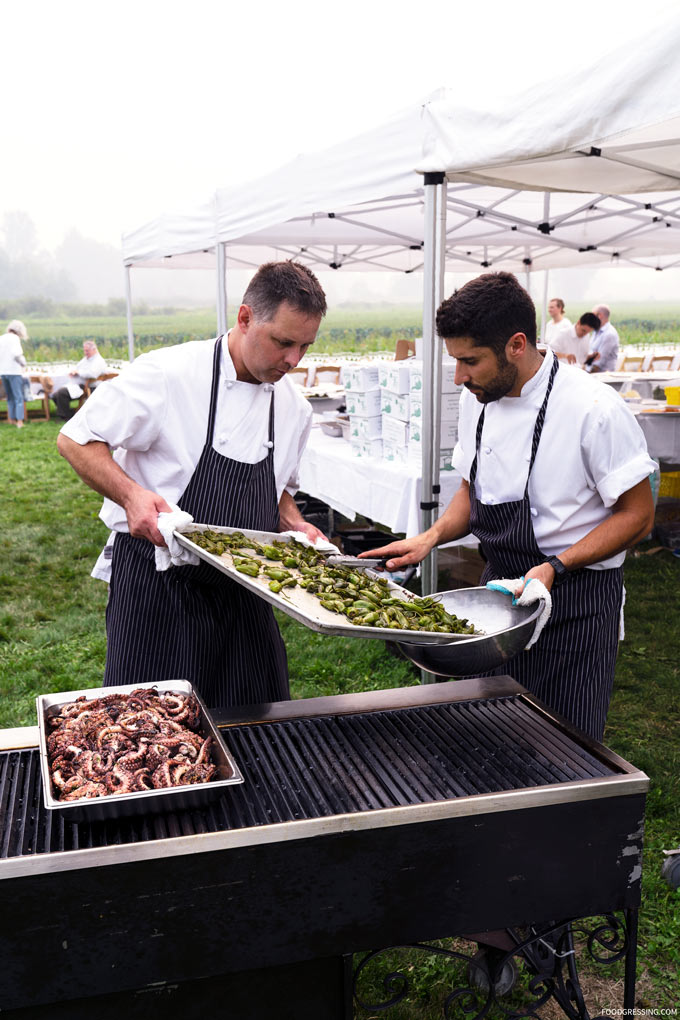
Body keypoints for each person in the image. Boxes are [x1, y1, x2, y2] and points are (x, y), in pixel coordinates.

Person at [363, 272, 655, 742]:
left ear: (517, 344)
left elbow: (638, 514)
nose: (459, 376)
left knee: (565, 753)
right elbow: (470, 493)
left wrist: (556, 566)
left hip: (574, 606)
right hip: (498, 600)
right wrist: (430, 538)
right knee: (491, 743)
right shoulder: (477, 398)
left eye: (470, 361)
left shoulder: (592, 408)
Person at [57, 260, 328, 709]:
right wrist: (132, 495)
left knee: (257, 724)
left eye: (305, 346)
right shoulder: (169, 374)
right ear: (244, 319)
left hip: (246, 591)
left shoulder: (295, 409)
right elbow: (77, 439)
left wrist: (295, 524)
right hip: (158, 589)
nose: (293, 361)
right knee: (146, 728)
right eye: (283, 342)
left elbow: (278, 490)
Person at [51, 340, 109, 419]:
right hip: (78, 384)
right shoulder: (86, 359)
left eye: (87, 351)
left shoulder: (98, 361)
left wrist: (78, 372)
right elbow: (77, 367)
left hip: (88, 387)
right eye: (84, 350)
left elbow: (93, 374)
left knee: (61, 393)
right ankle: (68, 413)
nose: (85, 353)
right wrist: (74, 372)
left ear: (94, 349)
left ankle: (66, 416)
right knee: (55, 394)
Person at [0, 319, 29, 428]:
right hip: (14, 371)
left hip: (3, 371)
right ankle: (20, 421)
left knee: (10, 397)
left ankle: (11, 419)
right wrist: (23, 363)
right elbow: (17, 354)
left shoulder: (1, 338)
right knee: (18, 397)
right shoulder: (15, 339)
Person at [585, 303, 620, 373]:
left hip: (602, 376)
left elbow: (598, 364)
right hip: (590, 373)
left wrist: (584, 376)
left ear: (599, 316)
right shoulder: (596, 332)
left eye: (593, 315)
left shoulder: (609, 334)